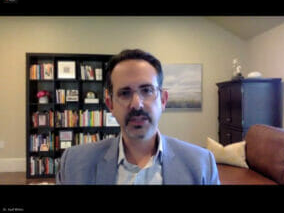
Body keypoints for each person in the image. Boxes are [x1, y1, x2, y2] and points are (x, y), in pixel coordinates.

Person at [56, 49, 220, 185]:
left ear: (163, 100)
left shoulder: (202, 164)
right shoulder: (73, 164)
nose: (136, 104)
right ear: (110, 104)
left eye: (147, 90)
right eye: (125, 93)